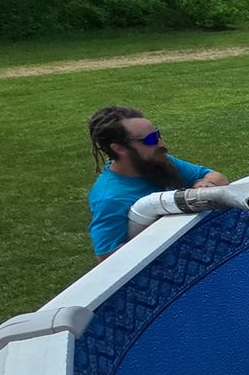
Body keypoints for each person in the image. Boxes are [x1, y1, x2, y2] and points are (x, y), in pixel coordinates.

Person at [86, 105, 234, 259]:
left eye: (157, 134)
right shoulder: (110, 198)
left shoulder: (157, 162)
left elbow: (218, 178)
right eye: (150, 140)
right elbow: (107, 256)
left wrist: (202, 184)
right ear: (119, 149)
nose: (162, 144)